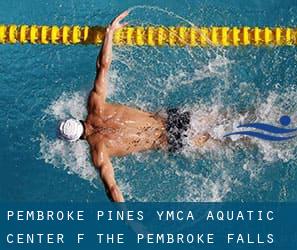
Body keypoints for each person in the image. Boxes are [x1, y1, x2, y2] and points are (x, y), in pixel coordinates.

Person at [58, 11, 210, 202]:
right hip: (172, 118)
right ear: (76, 119)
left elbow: (112, 189)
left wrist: (132, 223)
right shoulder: (95, 105)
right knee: (226, 118)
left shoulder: (99, 152)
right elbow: (103, 66)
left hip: (171, 140)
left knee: (228, 140)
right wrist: (109, 33)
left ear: (76, 140)